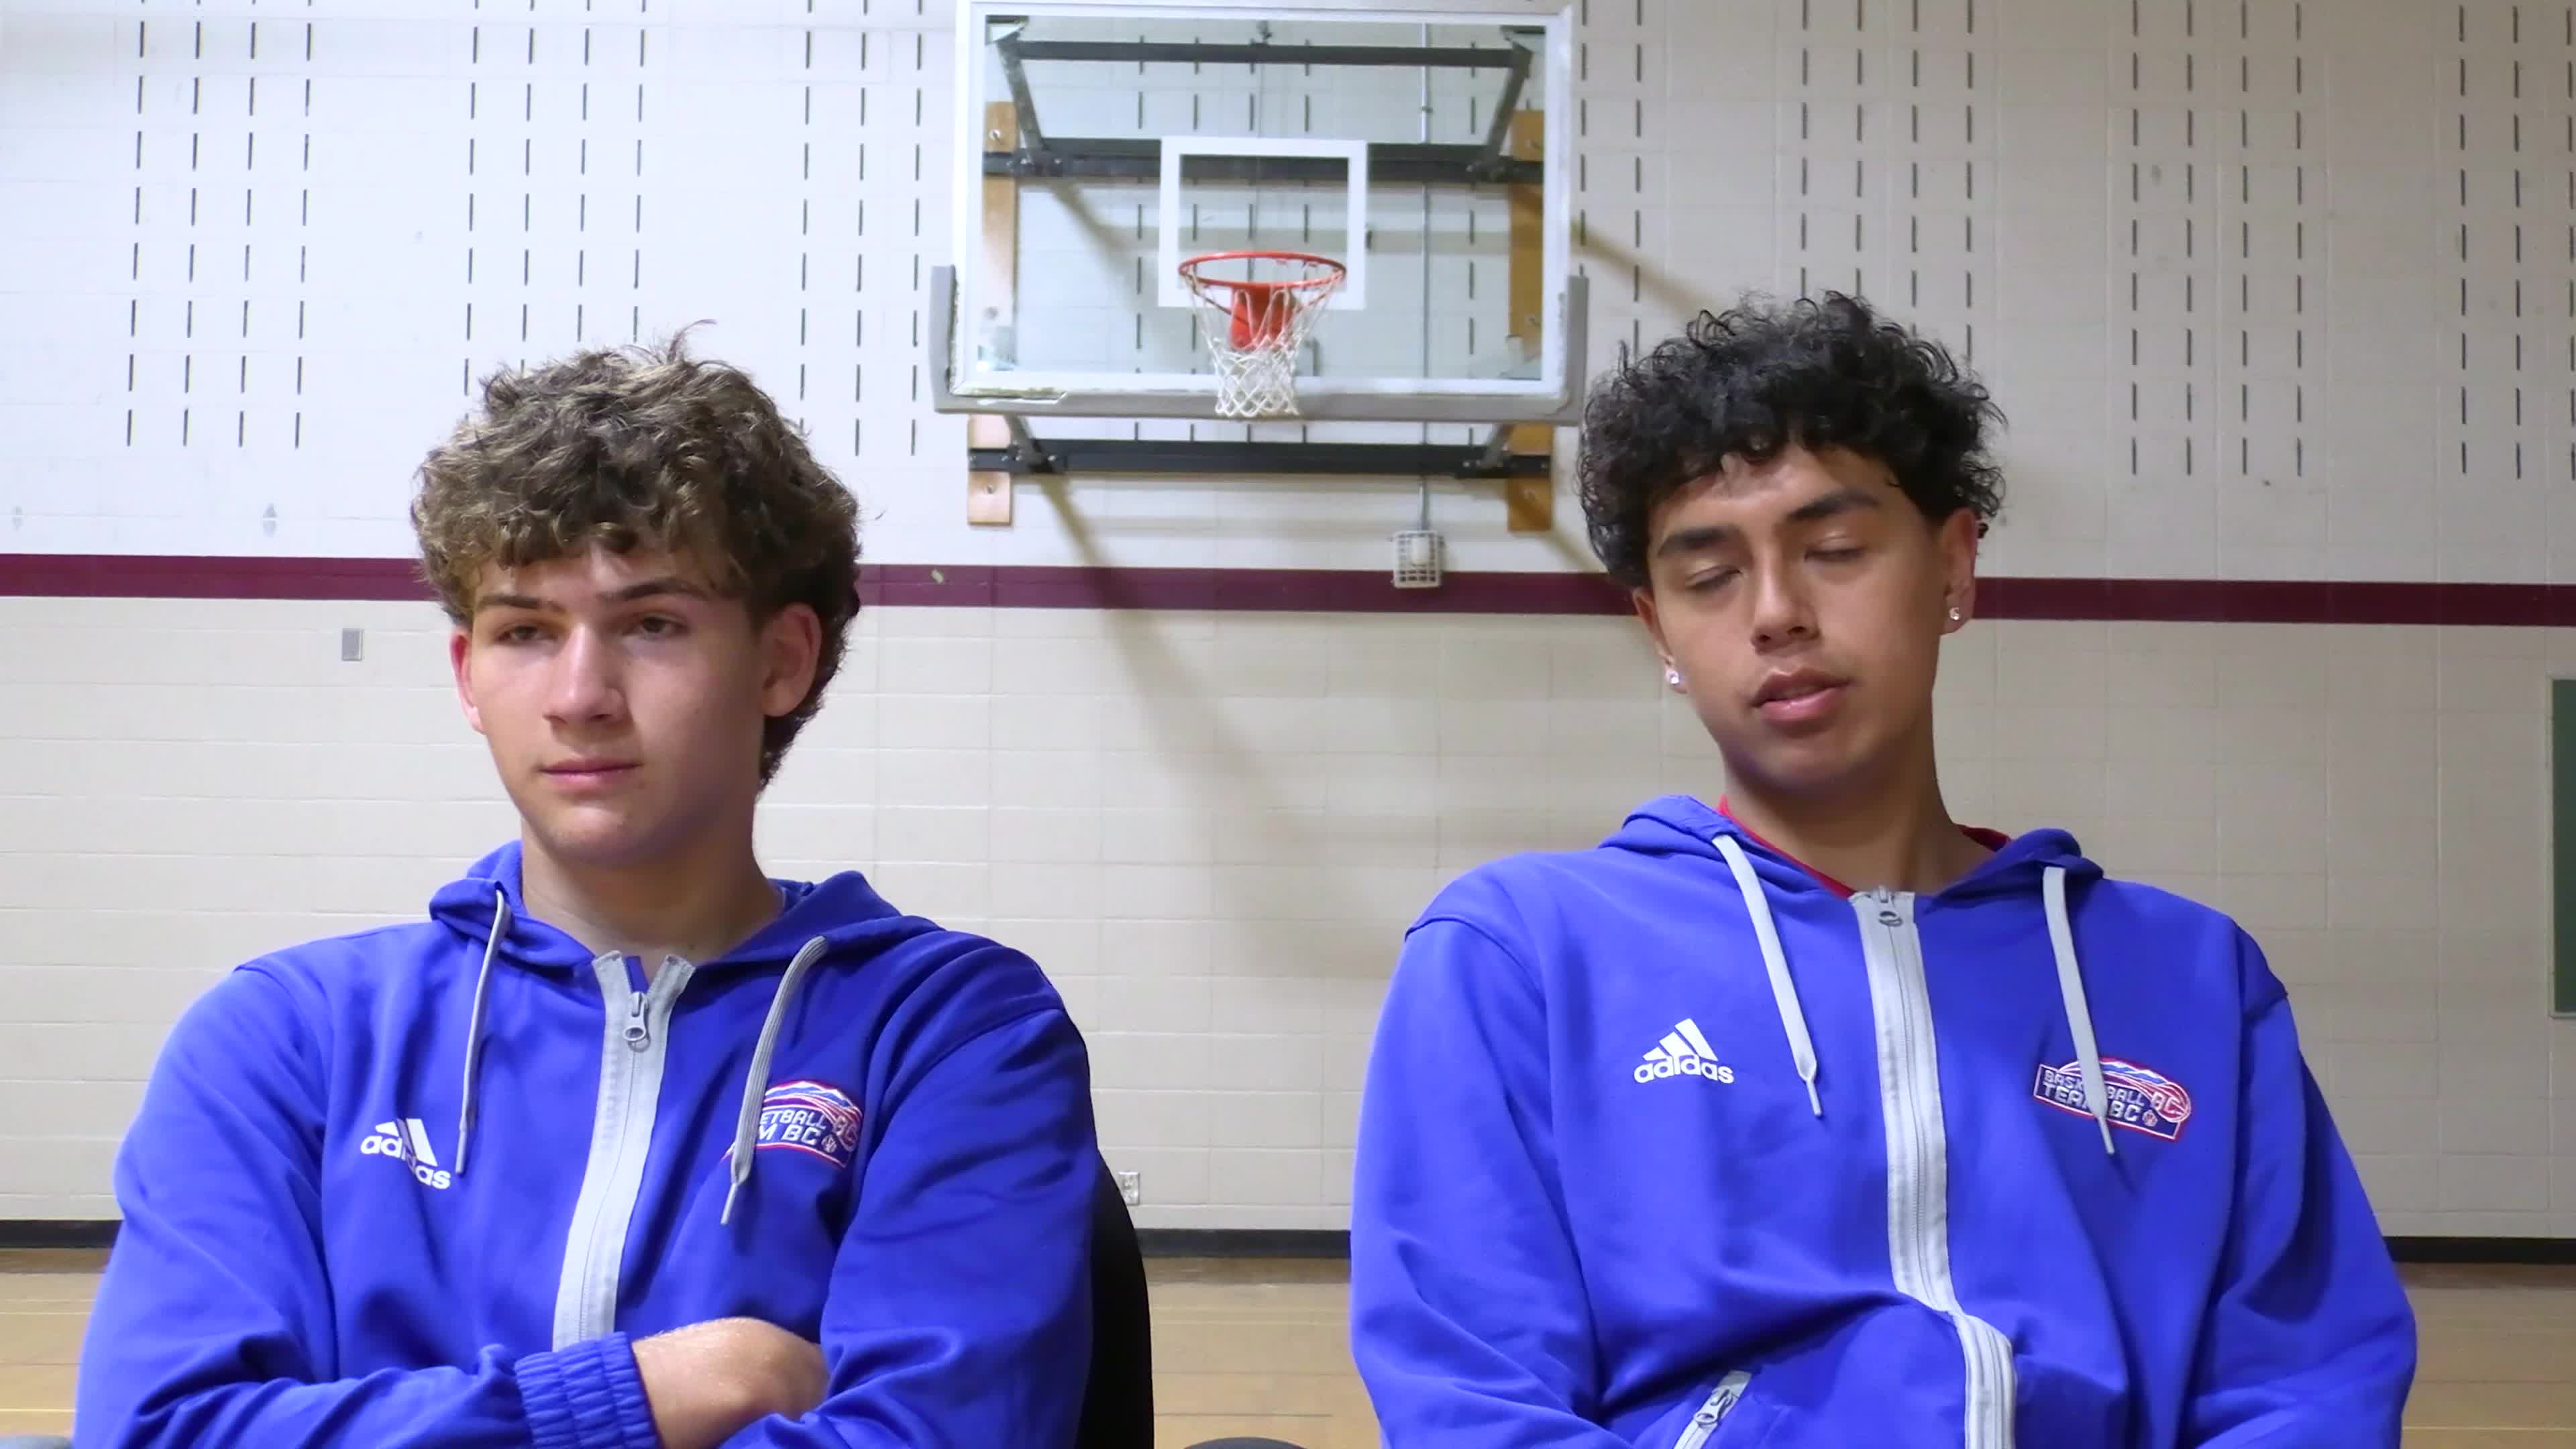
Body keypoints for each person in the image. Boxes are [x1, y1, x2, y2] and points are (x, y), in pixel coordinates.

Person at [1346, 294, 2416, 1448]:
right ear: (1660, 632)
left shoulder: (2192, 976)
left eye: (1835, 551)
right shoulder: (1520, 953)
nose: (1776, 614)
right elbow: (1472, 1395)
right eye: (1710, 576)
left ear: (1953, 565)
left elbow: (2307, 1386)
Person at [73, 338, 1102, 1448]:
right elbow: (162, 1429)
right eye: (525, 632)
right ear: (469, 678)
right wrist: (646, 1394)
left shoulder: (948, 1034)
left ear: (781, 661)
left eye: (651, 625)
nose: (578, 697)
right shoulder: (288, 1037)